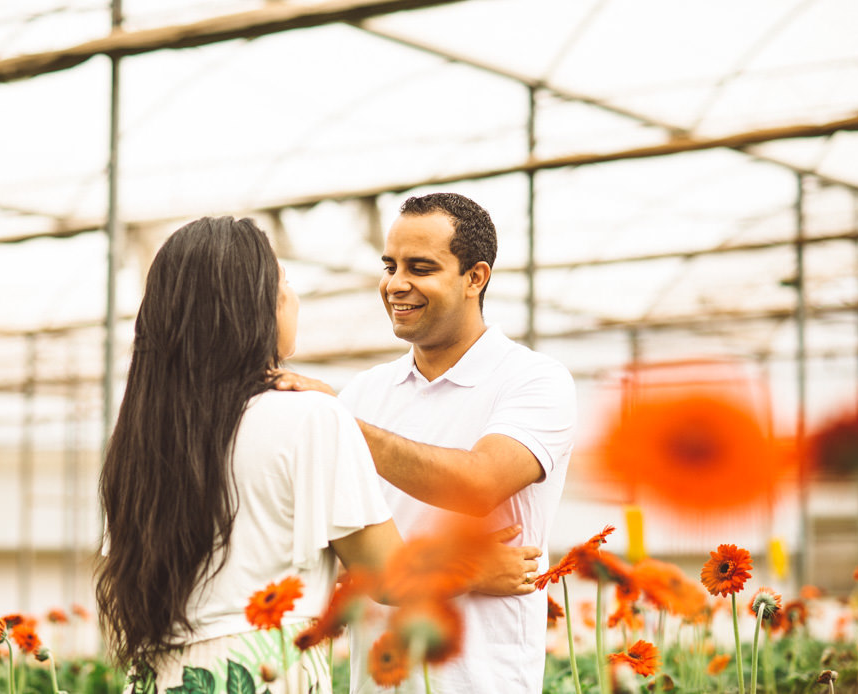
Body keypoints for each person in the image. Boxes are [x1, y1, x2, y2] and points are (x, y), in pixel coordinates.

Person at [95, 216, 539, 694]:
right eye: (285, 283)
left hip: (158, 675)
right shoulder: (311, 416)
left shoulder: (146, 434)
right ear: (257, 305)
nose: (293, 299)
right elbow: (390, 576)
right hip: (258, 670)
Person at [277, 193, 577, 693]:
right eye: (389, 265)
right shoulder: (366, 393)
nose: (396, 284)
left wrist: (338, 422)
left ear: (475, 278)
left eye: (420, 267)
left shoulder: (533, 380)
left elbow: (480, 483)